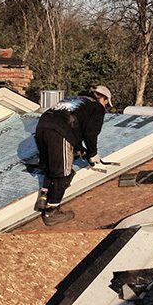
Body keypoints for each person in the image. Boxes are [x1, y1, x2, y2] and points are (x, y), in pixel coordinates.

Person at [34, 85, 112, 226]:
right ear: (103, 98)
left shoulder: (75, 100)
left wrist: (80, 148)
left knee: (52, 166)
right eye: (107, 103)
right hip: (60, 131)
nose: (105, 107)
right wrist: (93, 153)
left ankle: (43, 197)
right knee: (64, 173)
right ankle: (52, 212)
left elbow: (74, 125)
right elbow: (90, 133)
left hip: (42, 126)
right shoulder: (97, 107)